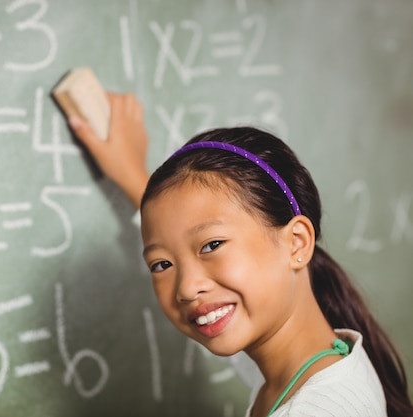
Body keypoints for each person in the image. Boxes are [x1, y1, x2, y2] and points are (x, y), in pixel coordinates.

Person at [67, 93, 413, 416]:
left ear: (296, 243)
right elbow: (183, 229)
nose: (187, 288)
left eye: (212, 245)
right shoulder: (311, 357)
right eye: (162, 264)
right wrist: (130, 172)